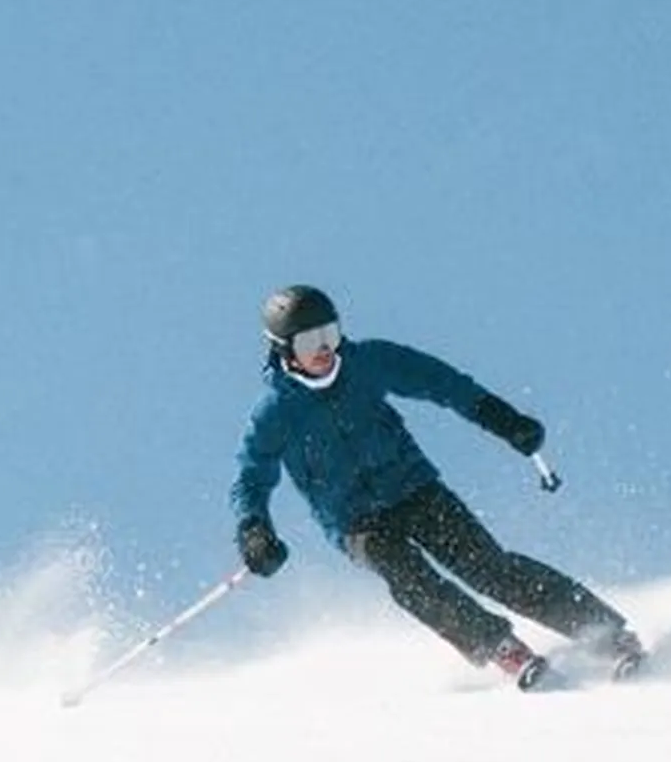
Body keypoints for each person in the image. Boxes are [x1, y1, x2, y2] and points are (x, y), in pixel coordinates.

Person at [231, 284, 646, 689]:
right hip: (356, 522)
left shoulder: (367, 362)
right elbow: (250, 477)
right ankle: (503, 649)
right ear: (284, 350)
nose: (323, 350)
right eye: (308, 342)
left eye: (329, 334)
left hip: (414, 490)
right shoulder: (276, 413)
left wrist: (501, 418)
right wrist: (254, 530)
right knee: (410, 581)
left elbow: (443, 382)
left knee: (489, 568)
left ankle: (607, 634)